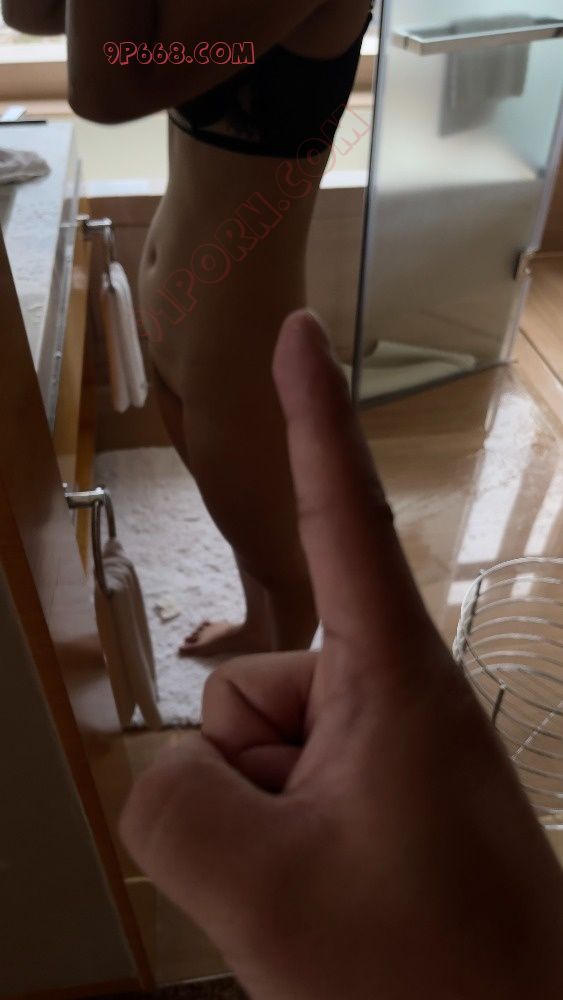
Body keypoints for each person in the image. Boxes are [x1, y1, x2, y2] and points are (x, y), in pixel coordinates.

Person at [120, 310, 563, 1000]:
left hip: (230, 310)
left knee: (254, 516)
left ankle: (264, 624)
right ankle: (256, 623)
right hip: (186, 316)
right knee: (228, 500)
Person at [4, 0, 374, 658]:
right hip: (180, 317)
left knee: (283, 562)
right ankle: (258, 629)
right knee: (241, 525)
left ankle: (291, 689)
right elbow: (28, 14)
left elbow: (107, 85)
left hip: (241, 342)